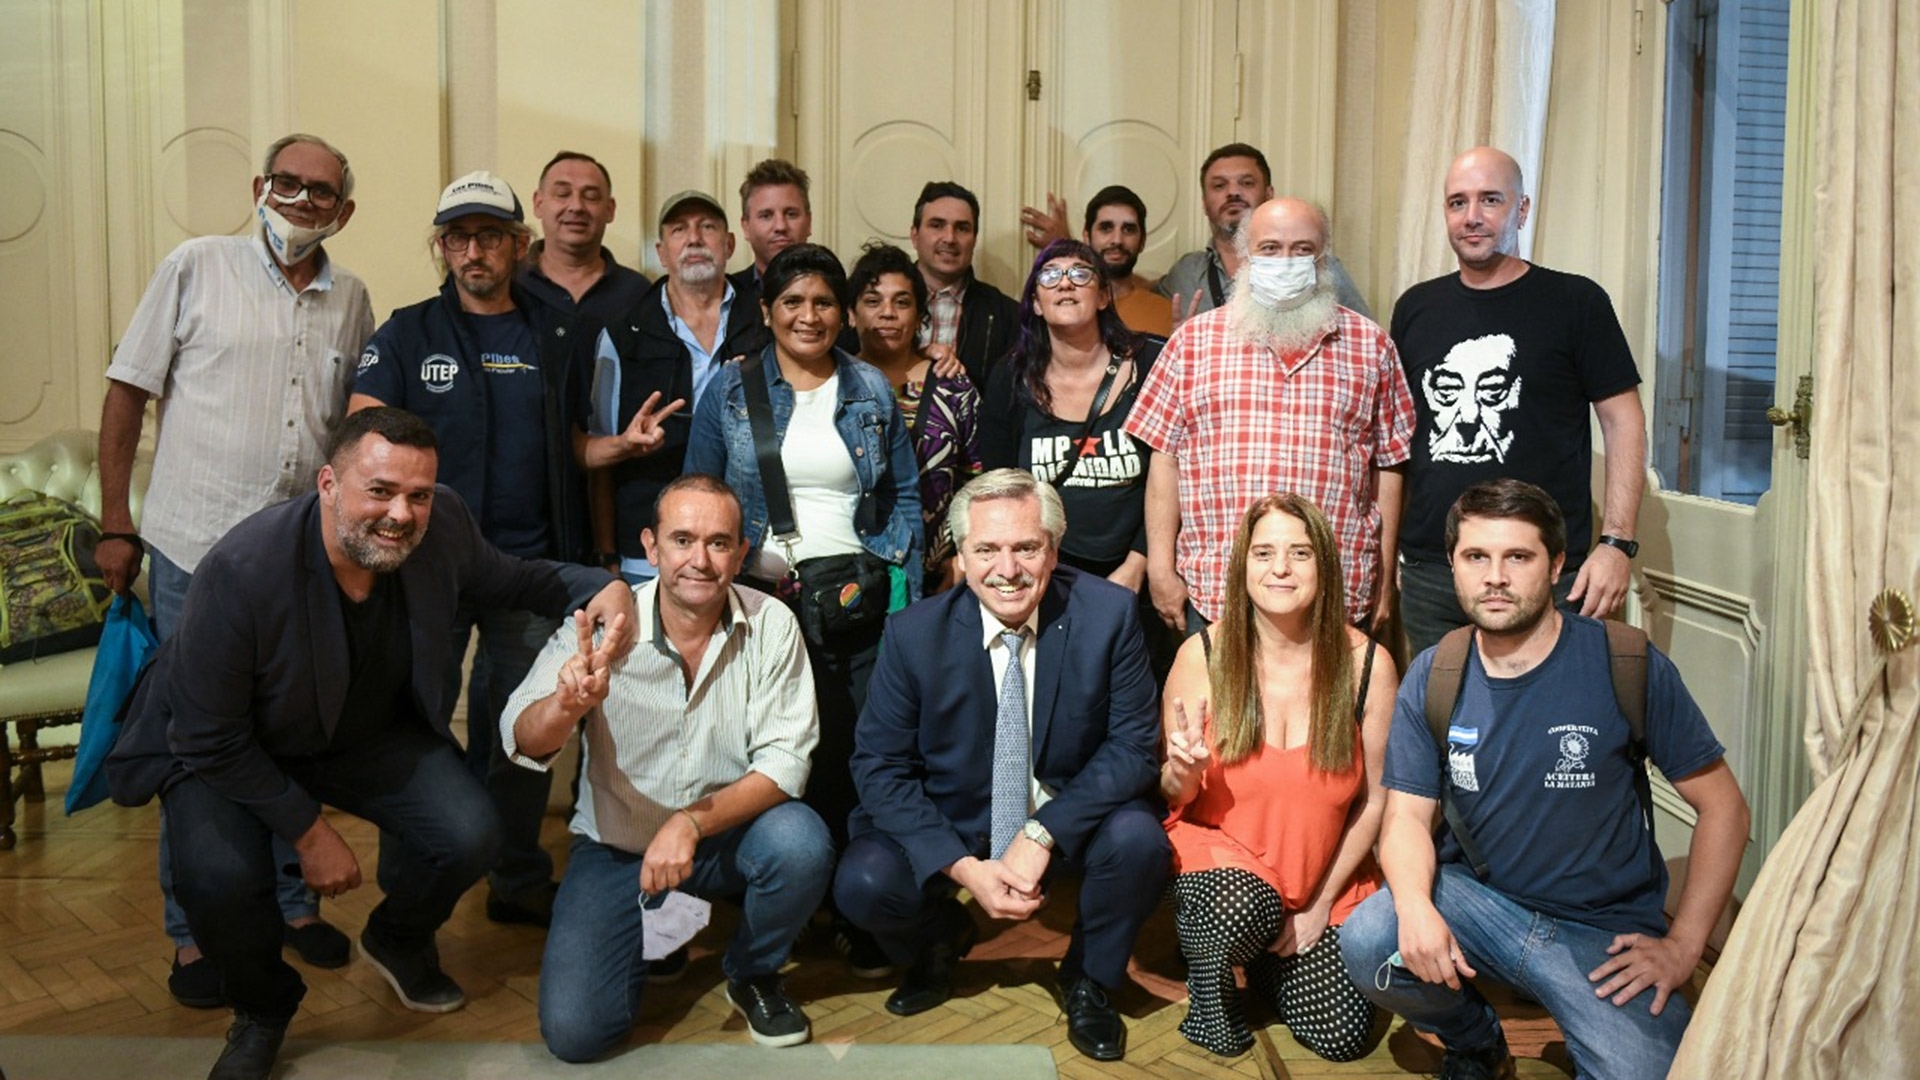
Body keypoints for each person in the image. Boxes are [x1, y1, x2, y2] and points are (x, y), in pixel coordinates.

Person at [104, 407, 636, 1080]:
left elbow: (515, 580)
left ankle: (398, 937)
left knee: (474, 832)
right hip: (231, 747)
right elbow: (208, 735)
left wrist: (605, 588)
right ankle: (262, 1010)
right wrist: (307, 831)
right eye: (379, 490)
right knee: (220, 881)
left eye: (418, 494)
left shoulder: (441, 524)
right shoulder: (242, 568)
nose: (402, 514)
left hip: (361, 735)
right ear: (328, 484)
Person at [1338, 480, 1749, 1080]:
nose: (1495, 577)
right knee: (1372, 937)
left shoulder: (1624, 662)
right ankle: (1476, 1041)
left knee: (1643, 1071)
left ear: (1557, 565)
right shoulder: (1436, 673)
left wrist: (1684, 945)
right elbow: (1404, 817)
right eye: (1476, 557)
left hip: (1601, 936)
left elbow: (1725, 809)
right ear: (1453, 564)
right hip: (1479, 910)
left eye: (1518, 557)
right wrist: (1416, 907)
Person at [96, 132, 371, 1007]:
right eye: (285, 182)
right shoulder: (196, 265)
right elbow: (127, 392)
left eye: (319, 192)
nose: (298, 200)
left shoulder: (353, 298)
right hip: (191, 554)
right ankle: (195, 937)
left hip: (300, 564)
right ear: (260, 186)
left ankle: (292, 908)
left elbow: (350, 429)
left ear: (343, 212)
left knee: (290, 739)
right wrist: (115, 524)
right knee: (197, 751)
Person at [833, 469, 1169, 1063]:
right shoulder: (913, 635)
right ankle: (939, 939)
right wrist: (960, 867)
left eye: (1026, 548)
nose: (1007, 569)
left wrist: (1043, 832)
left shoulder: (1108, 614)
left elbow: (1134, 745)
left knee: (1140, 840)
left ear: (1055, 548)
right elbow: (879, 765)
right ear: (960, 554)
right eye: (986, 549)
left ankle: (1090, 976)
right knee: (864, 881)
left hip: (1064, 819)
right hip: (958, 825)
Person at [503, 475, 833, 1060]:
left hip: (728, 837)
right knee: (578, 1036)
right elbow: (521, 738)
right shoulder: (603, 625)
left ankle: (751, 972)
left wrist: (689, 823)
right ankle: (667, 923)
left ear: (739, 552)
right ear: (652, 548)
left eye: (718, 543)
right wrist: (563, 706)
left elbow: (786, 764)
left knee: (801, 842)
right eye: (683, 540)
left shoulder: (772, 622)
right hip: (619, 848)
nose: (699, 561)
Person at [350, 171, 594, 928]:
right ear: (441, 246)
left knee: (520, 729)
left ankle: (516, 877)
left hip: (525, 567)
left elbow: (578, 442)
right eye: (459, 237)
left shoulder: (555, 332)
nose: (474, 250)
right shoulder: (407, 330)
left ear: (520, 245)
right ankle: (411, 886)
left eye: (490, 235)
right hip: (419, 569)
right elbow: (364, 438)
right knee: (412, 723)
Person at [683, 242, 921, 909]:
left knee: (853, 747)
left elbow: (902, 497)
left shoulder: (870, 388)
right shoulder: (730, 389)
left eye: (822, 302)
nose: (808, 316)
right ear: (767, 310)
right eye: (792, 301)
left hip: (859, 599)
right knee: (777, 749)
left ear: (843, 313)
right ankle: (788, 889)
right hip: (762, 604)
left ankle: (849, 897)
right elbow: (698, 492)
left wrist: (910, 600)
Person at [1160, 494, 1393, 1059]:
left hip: (1318, 876)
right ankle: (1211, 992)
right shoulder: (1204, 653)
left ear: (1325, 567)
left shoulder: (1368, 666)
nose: (1280, 569)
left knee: (1342, 1037)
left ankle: (1262, 959)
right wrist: (1183, 771)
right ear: (1243, 565)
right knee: (1240, 907)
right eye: (1263, 553)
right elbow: (1173, 794)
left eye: (1299, 553)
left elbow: (1376, 800)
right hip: (1226, 870)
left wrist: (1318, 907)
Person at [1391, 147, 1648, 658]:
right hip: (1435, 573)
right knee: (1446, 729)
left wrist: (1617, 544)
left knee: (1550, 727)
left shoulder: (1576, 303)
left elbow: (1625, 424)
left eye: (1491, 200)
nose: (1472, 217)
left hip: (1545, 570)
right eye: (1457, 203)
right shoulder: (1416, 308)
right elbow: (1397, 442)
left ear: (1522, 210)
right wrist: (1397, 560)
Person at [1127, 198, 1416, 635]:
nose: (1286, 262)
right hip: (1216, 590)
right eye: (1270, 248)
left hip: (1336, 593)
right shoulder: (1192, 343)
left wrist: (1384, 578)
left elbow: (1389, 467)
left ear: (1324, 260)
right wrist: (1161, 568)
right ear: (1245, 256)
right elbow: (1164, 461)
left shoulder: (1371, 346)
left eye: (1303, 250)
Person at [581, 191, 759, 584]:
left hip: (752, 548)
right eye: (680, 229)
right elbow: (602, 454)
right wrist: (607, 553)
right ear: (662, 252)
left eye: (707, 227)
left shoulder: (766, 321)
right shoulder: (623, 334)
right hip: (648, 555)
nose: (694, 239)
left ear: (729, 244)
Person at [847, 241, 985, 593]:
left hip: (940, 577)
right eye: (873, 300)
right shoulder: (831, 383)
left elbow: (980, 483)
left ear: (921, 315)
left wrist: (962, 562)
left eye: (902, 302)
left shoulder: (953, 387)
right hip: (846, 575)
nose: (888, 312)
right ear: (851, 313)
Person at [1155, 144, 1370, 321]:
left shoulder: (1317, 265)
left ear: (1269, 195)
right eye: (1219, 186)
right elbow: (1129, 294)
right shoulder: (1185, 272)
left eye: (1246, 183)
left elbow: (1363, 336)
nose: (1233, 192)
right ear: (1204, 203)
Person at [516, 150, 651, 361]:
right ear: (538, 203)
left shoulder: (638, 292)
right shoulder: (510, 283)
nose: (577, 206)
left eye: (591, 197)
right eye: (562, 194)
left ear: (610, 209)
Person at [1017, 185, 1174, 337]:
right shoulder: (1060, 306)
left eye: (1128, 229)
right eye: (1106, 228)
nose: (1117, 240)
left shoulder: (1166, 313)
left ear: (1142, 241)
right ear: (1086, 236)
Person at [910, 180, 1020, 387]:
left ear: (974, 239)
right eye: (937, 225)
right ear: (914, 235)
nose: (950, 238)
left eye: (962, 228)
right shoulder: (874, 302)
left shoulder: (1007, 315)